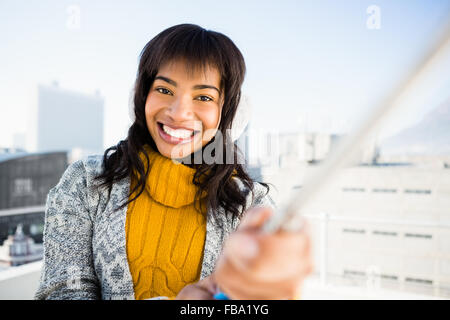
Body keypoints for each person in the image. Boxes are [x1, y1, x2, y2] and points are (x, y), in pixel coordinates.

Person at [35, 23, 313, 300]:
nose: (179, 113)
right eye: (164, 90)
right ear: (142, 95)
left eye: (204, 97)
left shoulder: (249, 205)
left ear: (226, 111)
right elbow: (62, 292)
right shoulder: (86, 182)